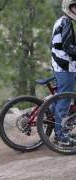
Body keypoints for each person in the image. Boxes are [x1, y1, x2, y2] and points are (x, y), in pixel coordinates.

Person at [51, 0, 76, 146]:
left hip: (65, 66)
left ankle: (56, 123)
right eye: (75, 6)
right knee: (65, 100)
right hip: (65, 67)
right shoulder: (65, 22)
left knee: (63, 98)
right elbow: (68, 48)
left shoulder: (63, 21)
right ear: (68, 7)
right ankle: (60, 136)